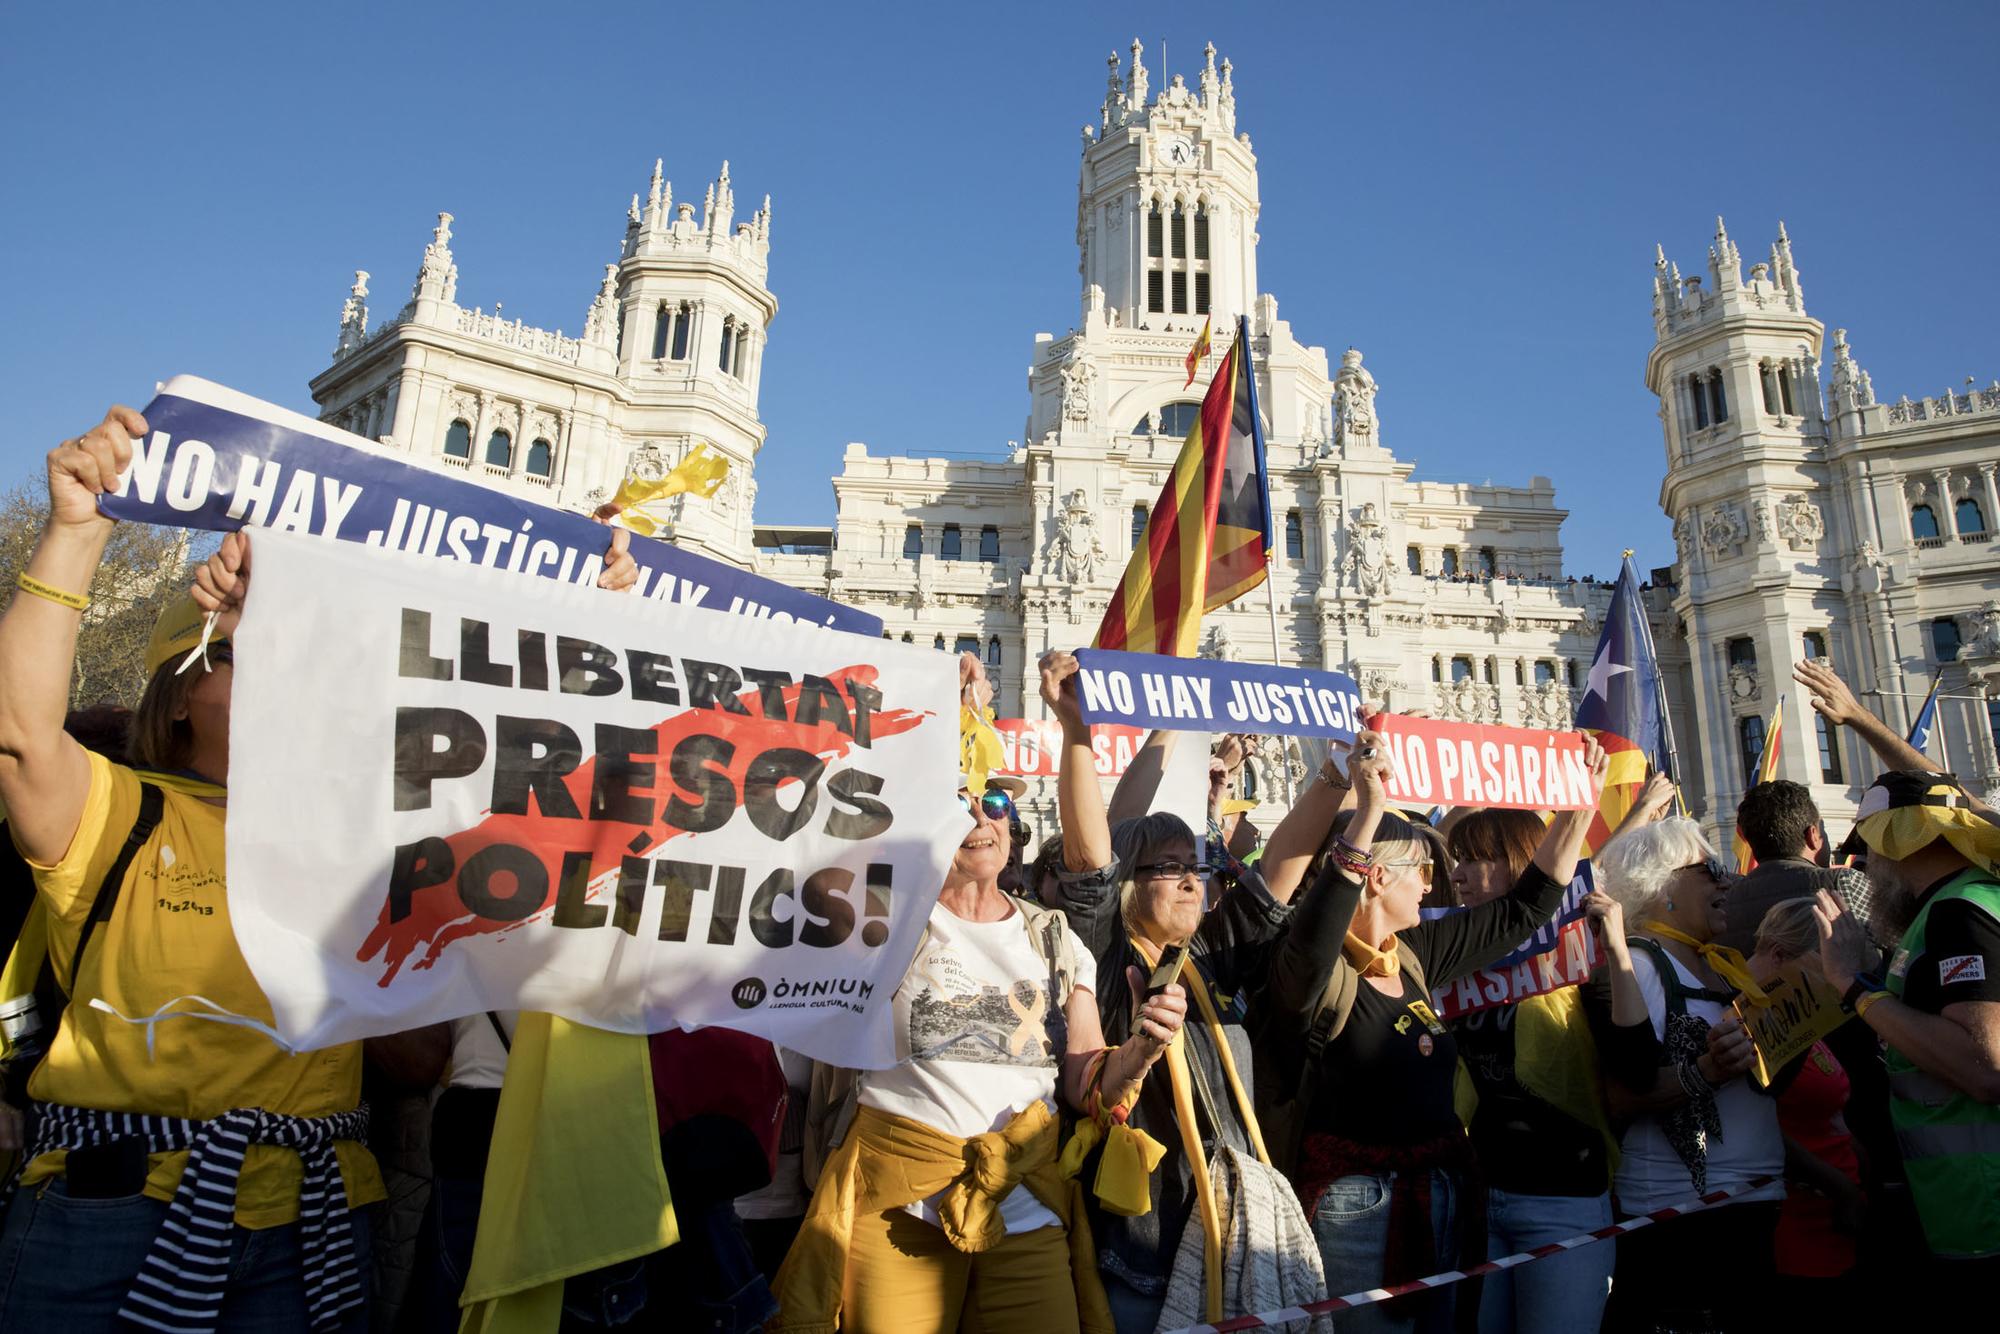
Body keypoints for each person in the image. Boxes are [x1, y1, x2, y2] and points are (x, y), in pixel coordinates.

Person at [0, 407, 636, 1332]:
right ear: (179, 696)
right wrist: (76, 530)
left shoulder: (362, 839)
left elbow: (423, 1040)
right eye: (251, 652)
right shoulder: (119, 814)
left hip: (313, 1221)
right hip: (108, 1219)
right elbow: (19, 735)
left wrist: (590, 623)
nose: (285, 676)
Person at [771, 737, 1188, 1334]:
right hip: (897, 1203)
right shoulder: (874, 919)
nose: (980, 816)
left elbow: (1084, 1081)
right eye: (958, 800)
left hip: (1026, 1204)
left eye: (993, 801)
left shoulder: (1053, 937)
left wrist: (1144, 1045)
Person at [1256, 730, 1604, 1334]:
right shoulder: (1309, 975)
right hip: (1354, 1212)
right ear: (1375, 879)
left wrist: (1579, 807)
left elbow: (1522, 911)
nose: (1431, 883)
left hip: (1441, 1198)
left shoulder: (1411, 954)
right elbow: (1312, 939)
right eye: (1420, 869)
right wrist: (1368, 811)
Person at [1038, 650, 1344, 1332]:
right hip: (1145, 1252)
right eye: (1168, 868)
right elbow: (1092, 857)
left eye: (1197, 868)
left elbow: (1279, 876)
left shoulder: (1206, 955)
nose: (1189, 881)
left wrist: (1337, 777)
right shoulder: (1103, 954)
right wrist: (1077, 732)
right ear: (1128, 886)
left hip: (1232, 1240)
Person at [1587, 817, 1782, 1334]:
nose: (1727, 880)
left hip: (1752, 1203)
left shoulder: (1724, 965)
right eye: (1712, 867)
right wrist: (1710, 1070)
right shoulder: (1643, 968)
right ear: (1663, 882)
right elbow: (1622, 1097)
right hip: (1681, 1218)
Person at [1812, 768, 2000, 1299]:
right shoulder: (1964, 903)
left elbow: (1984, 1070)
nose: (1866, 865)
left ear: (1903, 842)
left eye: (1869, 847)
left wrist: (1853, 986)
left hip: (1983, 1205)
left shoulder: (1958, 914)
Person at [1444, 808, 1619, 1334]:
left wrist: (1616, 953)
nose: (1458, 875)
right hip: (1480, 1194)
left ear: (1520, 864)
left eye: (1474, 859)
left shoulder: (1578, 952)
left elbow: (1632, 1057)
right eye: (1457, 859)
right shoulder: (1454, 952)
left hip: (1563, 1196)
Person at [1745, 899, 1864, 1315]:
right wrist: (1841, 1188)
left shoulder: (1798, 1012)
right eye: (1825, 964)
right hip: (1795, 1232)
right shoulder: (1745, 1019)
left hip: (1833, 1222)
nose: (1835, 980)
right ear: (1779, 955)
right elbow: (1756, 1124)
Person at [1721, 779, 1879, 955]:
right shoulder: (1844, 882)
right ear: (1812, 836)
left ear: (1745, 839)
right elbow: (1899, 947)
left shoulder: (1723, 901)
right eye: (1822, 832)